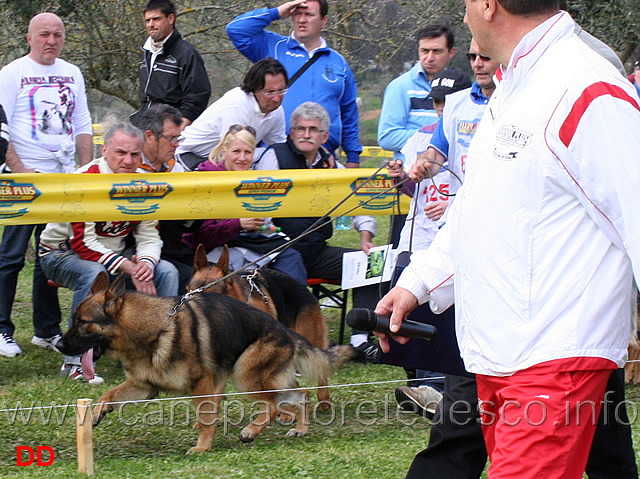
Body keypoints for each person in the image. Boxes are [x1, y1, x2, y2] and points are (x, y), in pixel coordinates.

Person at [376, 2, 640, 478]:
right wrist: (417, 282)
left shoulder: (589, 89)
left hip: (557, 356)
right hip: (496, 353)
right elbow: (483, 212)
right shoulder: (514, 87)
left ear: (487, 5)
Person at [39, 123, 179, 383]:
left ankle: (158, 354)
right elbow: (83, 243)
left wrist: (146, 264)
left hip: (115, 256)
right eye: (120, 152)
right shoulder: (85, 179)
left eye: (135, 154)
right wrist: (128, 267)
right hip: (60, 254)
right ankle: (75, 362)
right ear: (104, 150)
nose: (128, 160)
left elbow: (149, 236)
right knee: (95, 274)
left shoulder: (143, 183)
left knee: (166, 271)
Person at [255, 102, 380, 358]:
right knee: (292, 277)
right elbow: (260, 206)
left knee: (372, 264)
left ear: (324, 136)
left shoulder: (332, 165)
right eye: (300, 129)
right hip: (280, 252)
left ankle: (359, 339)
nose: (306, 134)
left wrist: (365, 237)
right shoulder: (274, 156)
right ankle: (295, 346)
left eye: (313, 129)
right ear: (291, 133)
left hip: (318, 251)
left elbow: (359, 203)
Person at [0, 12, 93, 358]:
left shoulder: (73, 73)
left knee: (49, 254)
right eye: (44, 34)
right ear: (29, 38)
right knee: (11, 257)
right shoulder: (11, 74)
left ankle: (46, 330)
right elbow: (2, 127)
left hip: (64, 179)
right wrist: (22, 172)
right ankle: (2, 329)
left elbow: (82, 122)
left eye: (57, 34)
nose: (51, 40)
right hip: (23, 180)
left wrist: (85, 171)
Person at [386, 67, 473, 416]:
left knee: (449, 310)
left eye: (445, 103)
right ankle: (422, 382)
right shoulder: (420, 139)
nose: (439, 109)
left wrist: (452, 203)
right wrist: (400, 180)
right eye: (435, 103)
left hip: (459, 237)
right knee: (418, 305)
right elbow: (413, 189)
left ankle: (438, 385)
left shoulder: (477, 132)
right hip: (420, 234)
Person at [227, 0, 362, 167]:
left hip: (323, 158)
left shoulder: (338, 63)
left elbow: (348, 114)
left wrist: (353, 157)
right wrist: (276, 12)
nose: (301, 20)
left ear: (324, 21)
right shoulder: (273, 47)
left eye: (309, 14)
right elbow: (235, 29)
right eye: (297, 14)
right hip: (275, 155)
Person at [182, 125, 307, 285]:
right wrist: (238, 223)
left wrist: (258, 224)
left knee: (290, 257)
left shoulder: (252, 179)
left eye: (248, 152)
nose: (242, 158)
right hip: (212, 249)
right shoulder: (206, 180)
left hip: (247, 240)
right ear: (223, 151)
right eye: (236, 151)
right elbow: (195, 238)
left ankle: (294, 306)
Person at [175, 58, 287, 171]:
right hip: (191, 156)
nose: (276, 98)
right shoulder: (237, 105)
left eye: (281, 91)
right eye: (270, 92)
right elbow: (232, 151)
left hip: (225, 160)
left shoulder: (277, 111)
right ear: (254, 89)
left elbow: (279, 148)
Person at [136, 104, 202, 293]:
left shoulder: (177, 168)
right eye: (171, 138)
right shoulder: (130, 168)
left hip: (174, 246)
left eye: (178, 138)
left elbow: (186, 222)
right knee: (187, 278)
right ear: (149, 136)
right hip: (139, 247)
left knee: (211, 274)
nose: (176, 144)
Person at [377, 25, 456, 163]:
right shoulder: (401, 87)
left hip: (450, 176)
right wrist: (434, 136)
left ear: (451, 52)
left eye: (437, 51)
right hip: (412, 178)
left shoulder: (459, 87)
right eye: (425, 51)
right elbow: (387, 137)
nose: (429, 58)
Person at [131, 0, 211, 128]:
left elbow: (197, 98)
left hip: (172, 130)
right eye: (147, 20)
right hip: (145, 127)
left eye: (156, 19)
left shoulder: (187, 54)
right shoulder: (146, 52)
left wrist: (178, 129)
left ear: (171, 19)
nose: (151, 24)